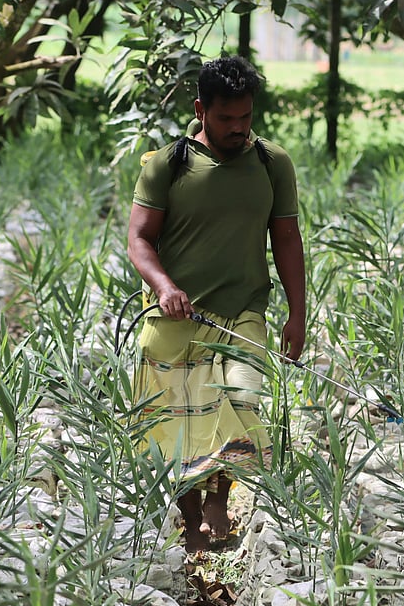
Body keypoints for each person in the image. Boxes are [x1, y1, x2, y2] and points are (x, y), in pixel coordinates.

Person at [127, 55, 306, 553]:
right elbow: (139, 240)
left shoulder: (272, 163)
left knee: (241, 401)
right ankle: (189, 516)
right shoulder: (168, 165)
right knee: (174, 418)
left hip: (243, 310)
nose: (237, 128)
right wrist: (164, 286)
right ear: (201, 108)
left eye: (246, 117)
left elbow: (287, 238)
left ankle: (218, 498)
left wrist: (298, 314)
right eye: (226, 118)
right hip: (175, 315)